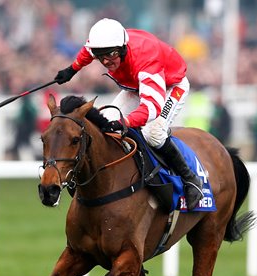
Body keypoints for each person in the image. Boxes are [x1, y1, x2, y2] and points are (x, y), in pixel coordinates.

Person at [54, 18, 203, 210]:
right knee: (105, 121)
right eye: (102, 56)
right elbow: (88, 51)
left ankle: (190, 179)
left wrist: (125, 122)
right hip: (136, 86)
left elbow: (151, 108)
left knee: (153, 133)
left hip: (170, 86)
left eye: (112, 55)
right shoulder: (107, 45)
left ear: (123, 48)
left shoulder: (146, 59)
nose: (107, 61)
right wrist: (72, 69)